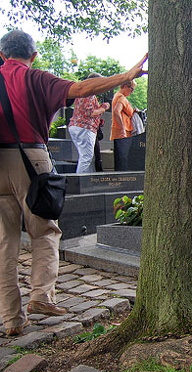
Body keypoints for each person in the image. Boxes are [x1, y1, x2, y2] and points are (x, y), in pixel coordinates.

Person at [0, 30, 147, 336]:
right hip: (30, 158)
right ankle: (41, 295)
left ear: (2, 55)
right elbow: (82, 88)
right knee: (45, 230)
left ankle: (12, 319)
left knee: (4, 243)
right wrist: (126, 75)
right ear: (34, 55)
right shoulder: (35, 78)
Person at [67, 73, 110, 173]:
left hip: (77, 126)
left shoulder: (82, 92)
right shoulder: (89, 92)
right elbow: (90, 112)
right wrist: (103, 108)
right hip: (85, 127)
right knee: (86, 158)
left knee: (86, 157)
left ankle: (88, 181)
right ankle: (81, 183)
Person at [111, 80, 137, 171]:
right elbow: (116, 112)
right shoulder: (121, 97)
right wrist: (122, 129)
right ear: (126, 86)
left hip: (122, 130)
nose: (132, 92)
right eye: (132, 89)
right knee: (123, 157)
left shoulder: (118, 96)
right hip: (123, 131)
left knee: (122, 157)